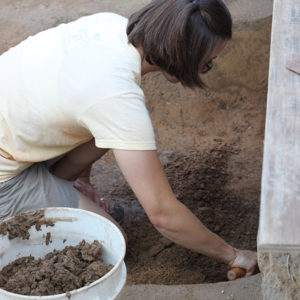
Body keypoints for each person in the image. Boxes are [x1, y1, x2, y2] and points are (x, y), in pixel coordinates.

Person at [0, 0, 257, 277]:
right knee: (107, 244)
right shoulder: (116, 97)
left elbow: (86, 112)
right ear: (184, 58)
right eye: (207, 63)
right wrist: (233, 254)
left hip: (14, 136)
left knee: (114, 130)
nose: (206, 69)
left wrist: (81, 182)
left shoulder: (109, 25)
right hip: (5, 181)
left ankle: (63, 185)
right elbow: (163, 215)